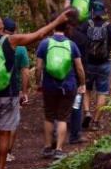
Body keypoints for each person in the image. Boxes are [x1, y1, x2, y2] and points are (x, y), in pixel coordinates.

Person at [0, 10, 68, 169]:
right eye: (0, 19)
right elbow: (37, 35)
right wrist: (57, 22)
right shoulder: (10, 41)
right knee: (4, 133)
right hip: (8, 95)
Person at [35, 14, 86, 160]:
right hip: (68, 85)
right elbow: (79, 68)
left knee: (49, 116)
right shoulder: (71, 45)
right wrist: (82, 83)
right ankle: (58, 149)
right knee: (62, 117)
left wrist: (39, 83)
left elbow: (38, 67)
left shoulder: (44, 44)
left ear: (53, 26)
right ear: (66, 28)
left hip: (49, 86)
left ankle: (47, 148)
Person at [82, 1, 111, 130]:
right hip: (104, 63)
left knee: (87, 89)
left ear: (92, 12)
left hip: (89, 64)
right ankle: (96, 122)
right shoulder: (109, 27)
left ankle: (87, 112)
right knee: (102, 92)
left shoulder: (86, 25)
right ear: (104, 13)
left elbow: (80, 42)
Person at [3, 18, 30, 161]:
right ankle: (7, 153)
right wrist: (24, 92)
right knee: (11, 121)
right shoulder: (20, 47)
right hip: (13, 89)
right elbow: (25, 71)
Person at [63, 11, 89, 145]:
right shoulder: (81, 38)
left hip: (57, 78)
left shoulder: (55, 39)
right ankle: (75, 134)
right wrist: (83, 81)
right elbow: (82, 62)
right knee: (76, 106)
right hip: (74, 79)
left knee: (58, 109)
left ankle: (54, 138)